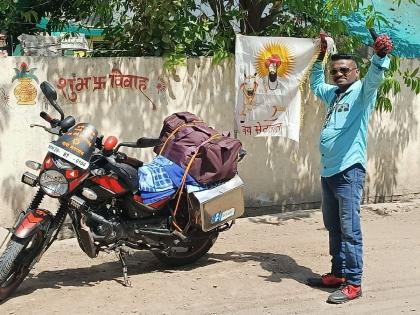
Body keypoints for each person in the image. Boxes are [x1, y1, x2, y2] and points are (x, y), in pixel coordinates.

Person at [307, 33, 393, 304]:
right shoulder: (332, 93)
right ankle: (338, 274)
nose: (339, 73)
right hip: (328, 171)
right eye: (336, 70)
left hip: (349, 171)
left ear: (355, 72)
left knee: (350, 229)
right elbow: (314, 82)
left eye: (345, 70)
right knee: (333, 226)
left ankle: (354, 283)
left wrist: (379, 56)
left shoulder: (361, 92)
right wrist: (321, 54)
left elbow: (375, 77)